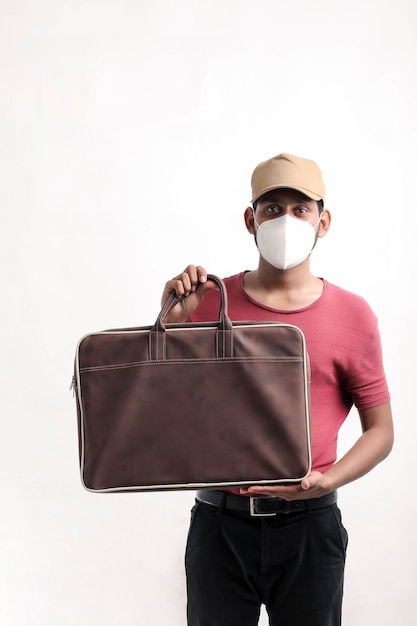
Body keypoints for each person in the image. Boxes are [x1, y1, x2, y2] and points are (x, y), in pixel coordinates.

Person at [161, 152, 393, 626]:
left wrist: (330, 480)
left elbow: (381, 430)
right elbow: (163, 411)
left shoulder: (354, 316)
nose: (285, 220)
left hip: (310, 527)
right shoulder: (207, 303)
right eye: (271, 208)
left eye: (300, 209)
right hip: (219, 524)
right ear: (251, 219)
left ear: (322, 221)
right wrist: (170, 324)